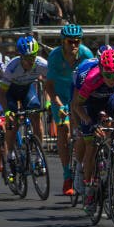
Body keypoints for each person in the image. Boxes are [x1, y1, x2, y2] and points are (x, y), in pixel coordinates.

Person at [72, 49, 114, 215]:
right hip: (88, 104)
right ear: (100, 69)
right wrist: (90, 123)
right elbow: (77, 106)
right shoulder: (89, 77)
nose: (111, 79)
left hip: (108, 100)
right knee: (91, 144)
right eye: (108, 75)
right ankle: (89, 190)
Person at [46, 24, 93, 195]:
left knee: (82, 132)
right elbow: (49, 86)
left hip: (78, 97)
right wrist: (58, 104)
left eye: (77, 42)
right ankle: (67, 175)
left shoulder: (86, 54)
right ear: (63, 42)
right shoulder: (55, 56)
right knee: (63, 130)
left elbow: (92, 82)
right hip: (60, 97)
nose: (74, 45)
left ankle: (81, 169)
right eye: (70, 42)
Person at [0, 36, 48, 170]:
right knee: (12, 123)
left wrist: (48, 103)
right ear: (20, 56)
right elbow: (2, 93)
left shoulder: (42, 64)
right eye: (27, 58)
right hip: (11, 93)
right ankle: (10, 153)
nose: (31, 61)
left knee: (37, 117)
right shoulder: (12, 67)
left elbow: (50, 85)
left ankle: (38, 156)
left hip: (27, 90)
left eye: (33, 56)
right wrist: (7, 110)